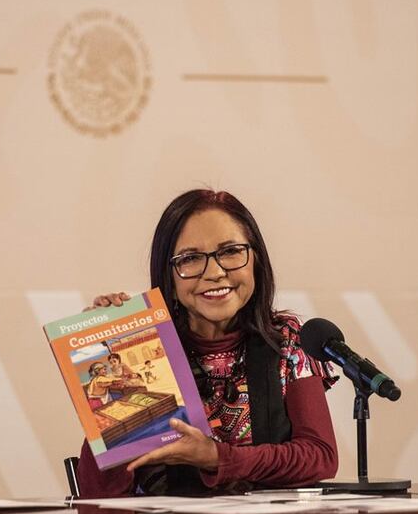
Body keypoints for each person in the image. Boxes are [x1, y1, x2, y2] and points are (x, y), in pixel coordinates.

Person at [77, 189, 339, 497]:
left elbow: (320, 457)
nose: (214, 273)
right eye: (190, 259)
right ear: (169, 277)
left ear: (255, 259)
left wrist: (218, 458)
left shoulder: (286, 340)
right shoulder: (147, 346)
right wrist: (112, 341)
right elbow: (96, 491)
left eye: (230, 252)